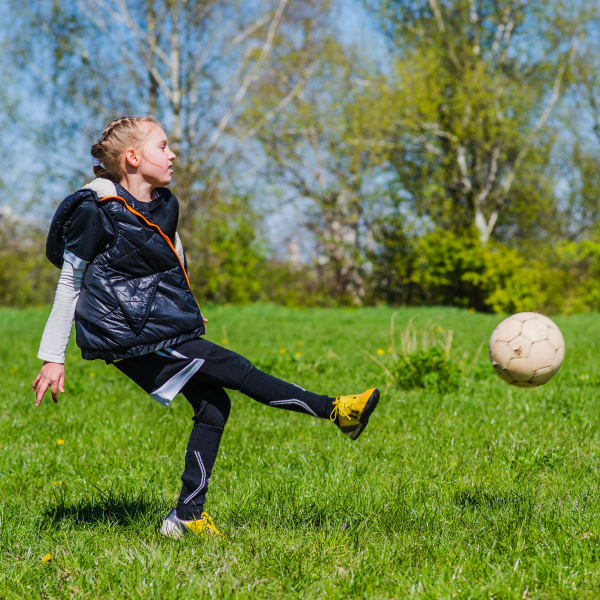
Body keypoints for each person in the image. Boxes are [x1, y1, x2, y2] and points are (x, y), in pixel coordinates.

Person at [32, 115, 380, 539]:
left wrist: (188, 311)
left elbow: (173, 257)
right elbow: (70, 280)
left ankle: (186, 517)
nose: (172, 153)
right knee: (235, 368)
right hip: (125, 334)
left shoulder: (165, 203)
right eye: (162, 146)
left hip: (159, 327)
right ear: (133, 157)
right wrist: (53, 356)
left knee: (215, 406)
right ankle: (335, 410)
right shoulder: (95, 210)